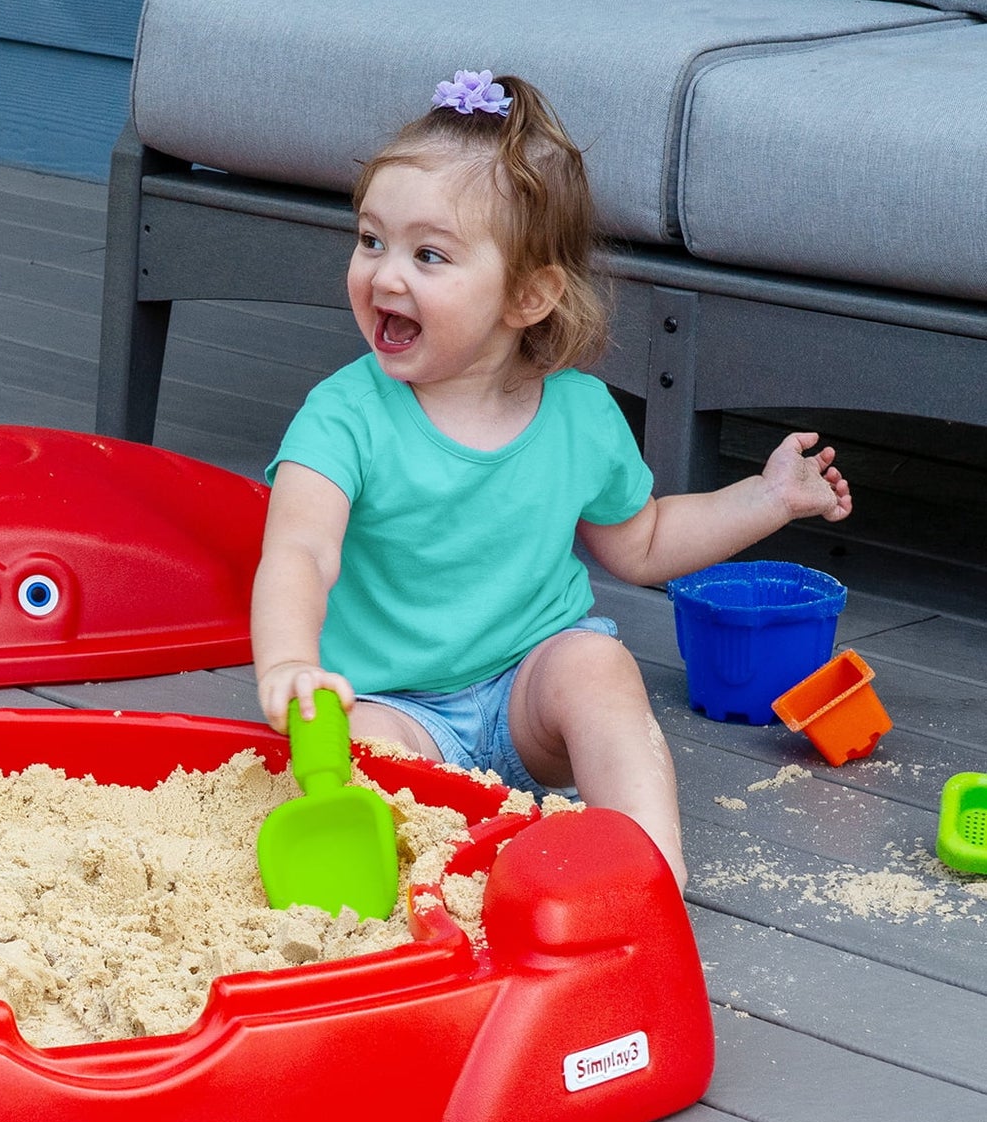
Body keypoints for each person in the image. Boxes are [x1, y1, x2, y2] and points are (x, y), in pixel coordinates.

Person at [251, 70, 851, 886]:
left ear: (529, 295)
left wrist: (769, 496)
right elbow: (300, 552)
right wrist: (287, 662)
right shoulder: (344, 415)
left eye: (429, 255)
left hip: (525, 698)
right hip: (395, 706)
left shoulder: (579, 414)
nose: (386, 275)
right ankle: (423, 871)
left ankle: (645, 872)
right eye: (370, 240)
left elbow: (640, 543)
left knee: (597, 665)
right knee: (358, 747)